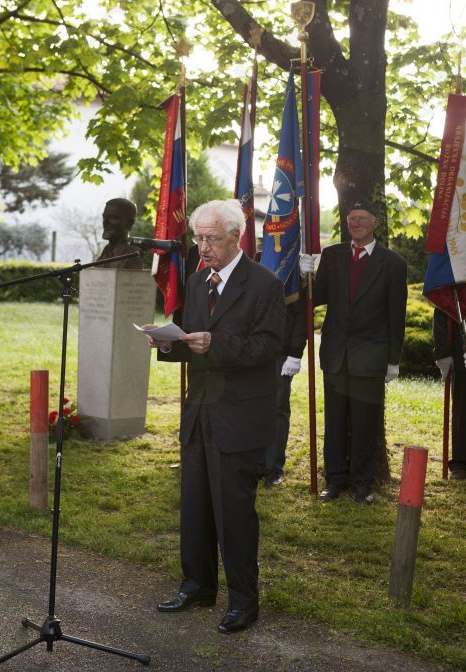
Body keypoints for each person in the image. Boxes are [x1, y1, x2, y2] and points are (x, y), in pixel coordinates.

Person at [144, 199, 285, 634]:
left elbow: (269, 348)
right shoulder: (196, 281)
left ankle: (244, 600)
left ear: (235, 237)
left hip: (239, 414)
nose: (202, 247)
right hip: (199, 409)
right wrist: (167, 343)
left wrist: (216, 345)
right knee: (195, 505)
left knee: (234, 511)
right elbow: (190, 340)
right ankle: (197, 585)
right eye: (198, 238)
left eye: (211, 239)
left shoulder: (264, 284)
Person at [300, 197, 407, 504]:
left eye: (362, 218)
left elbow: (397, 315)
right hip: (336, 354)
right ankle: (334, 480)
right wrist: (304, 274)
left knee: (364, 423)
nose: (356, 223)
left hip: (370, 356)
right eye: (351, 218)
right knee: (334, 421)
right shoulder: (332, 256)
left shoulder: (393, 264)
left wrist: (393, 360)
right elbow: (317, 297)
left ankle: (363, 483)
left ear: (375, 223)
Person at [258, 290, 307, 487]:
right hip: (251, 348)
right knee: (252, 407)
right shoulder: (248, 272)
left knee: (277, 409)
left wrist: (295, 353)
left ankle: (273, 467)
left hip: (281, 352)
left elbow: (302, 315)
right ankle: (255, 463)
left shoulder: (291, 274)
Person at [433, 308, 466, 480]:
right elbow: (441, 309)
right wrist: (443, 353)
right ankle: (461, 462)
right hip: (462, 353)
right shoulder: (449, 293)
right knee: (462, 408)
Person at [97, 197, 143, 269]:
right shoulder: (105, 252)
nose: (105, 222)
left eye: (113, 218)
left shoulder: (133, 254)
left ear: (130, 223)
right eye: (104, 217)